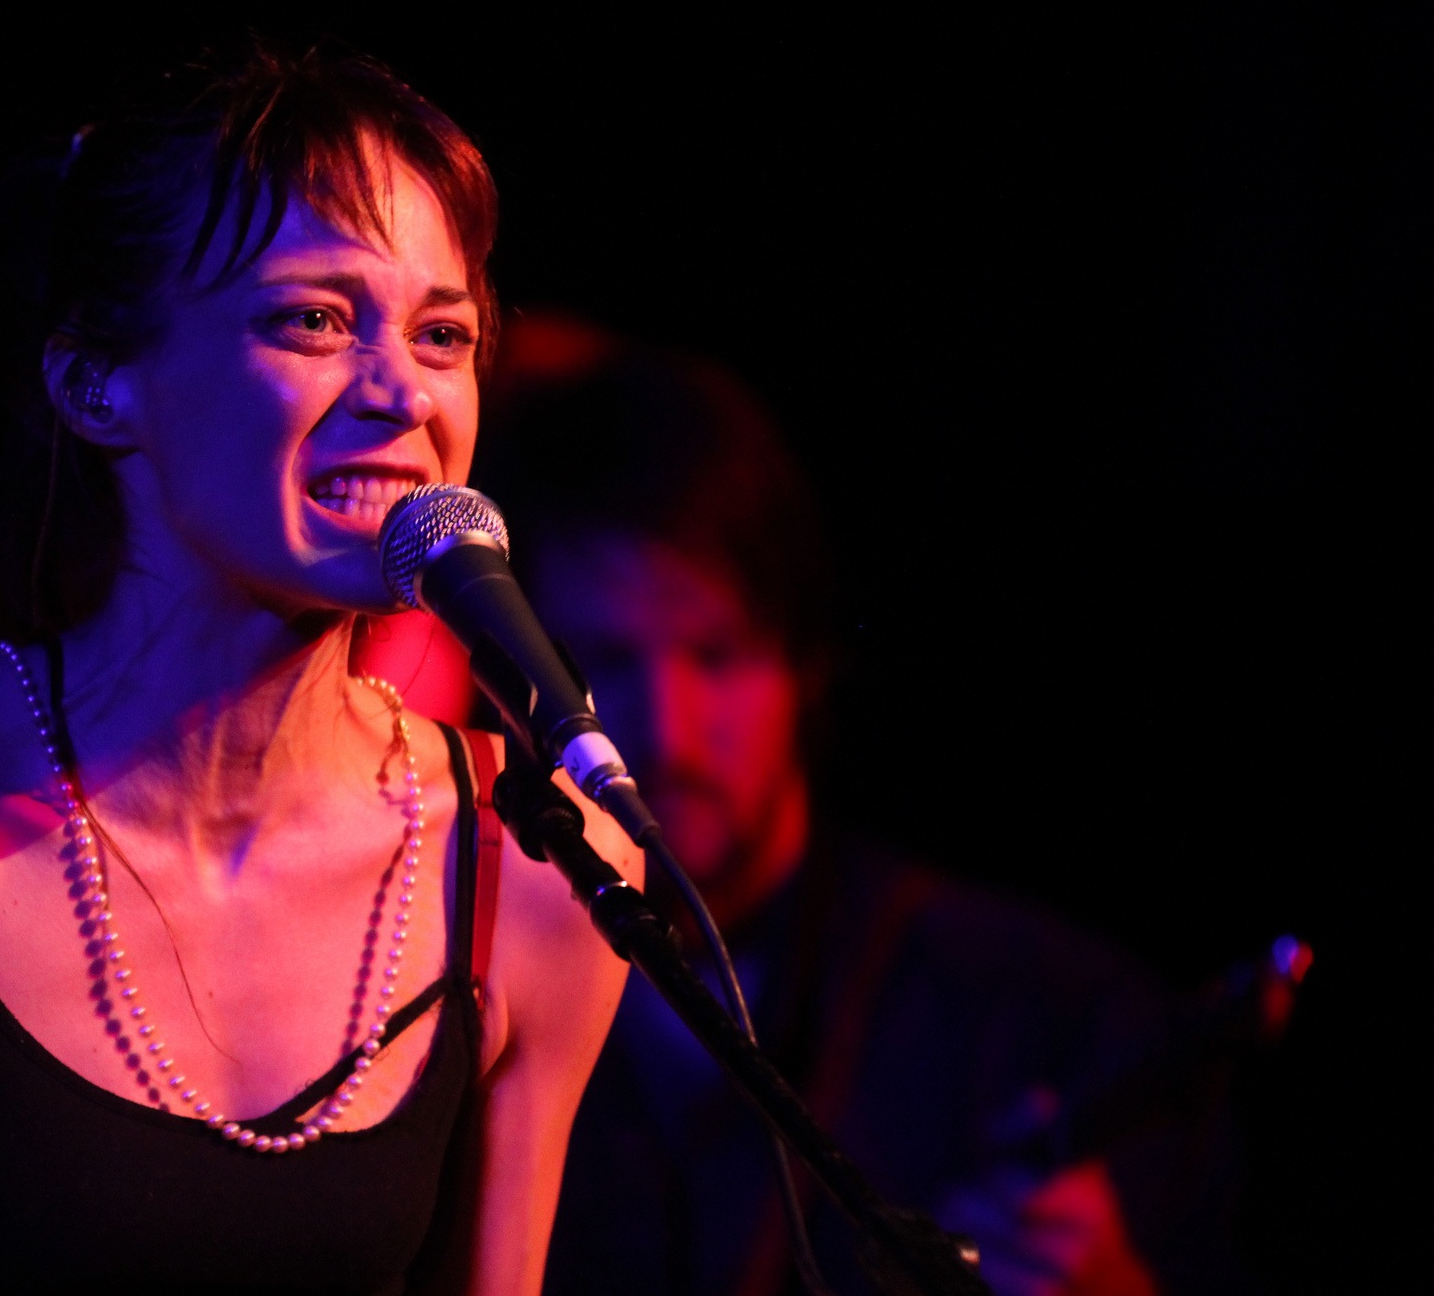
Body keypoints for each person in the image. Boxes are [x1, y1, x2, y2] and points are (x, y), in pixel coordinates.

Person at [0, 46, 639, 1296]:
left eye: (444, 335)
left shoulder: (524, 867)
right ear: (99, 383)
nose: (401, 391)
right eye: (313, 321)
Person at [466, 316, 1242, 1296]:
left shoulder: (1032, 1008)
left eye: (716, 654)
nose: (665, 726)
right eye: (604, 661)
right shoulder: (457, 995)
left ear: (804, 666)